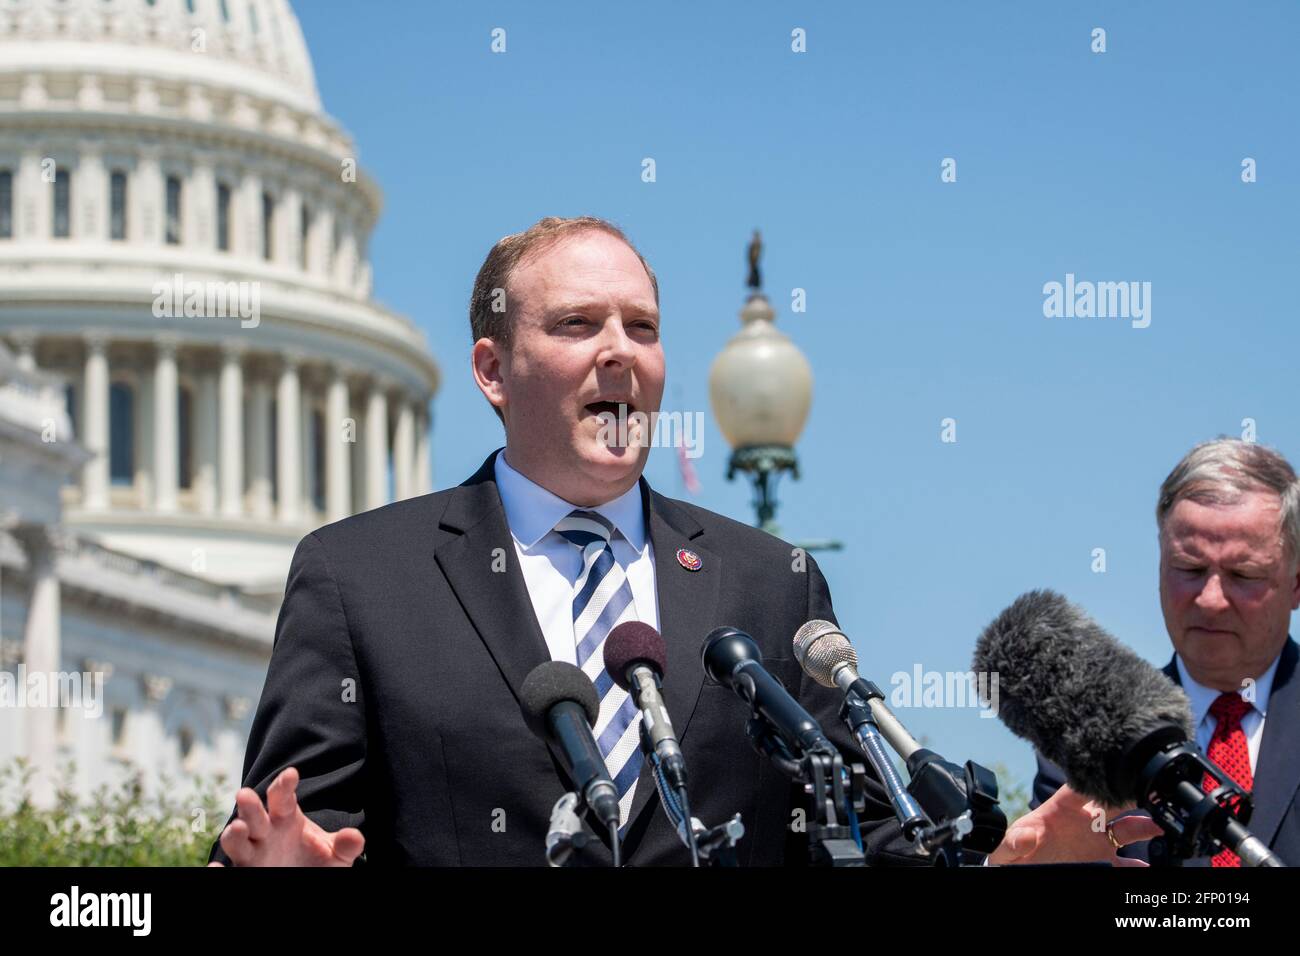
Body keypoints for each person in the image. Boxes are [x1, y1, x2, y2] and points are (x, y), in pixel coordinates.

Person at [208, 216, 1148, 866]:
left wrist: (1006, 863)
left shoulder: (770, 581)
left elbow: (865, 836)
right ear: (493, 370)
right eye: (577, 324)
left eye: (644, 327)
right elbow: (293, 829)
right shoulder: (361, 578)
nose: (620, 350)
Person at [1031, 438, 1300, 866]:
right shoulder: (1089, 751)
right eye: (1190, 569)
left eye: (1242, 574)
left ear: (1296, 584)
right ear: (1160, 566)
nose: (1211, 599)